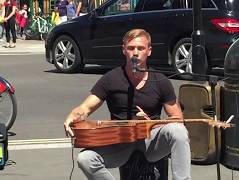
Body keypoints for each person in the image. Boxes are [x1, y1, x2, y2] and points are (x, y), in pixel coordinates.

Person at [64, 28, 191, 180]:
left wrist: (152, 124)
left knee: (179, 131)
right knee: (85, 159)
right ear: (124, 50)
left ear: (149, 51)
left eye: (140, 48)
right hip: (121, 141)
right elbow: (85, 108)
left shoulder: (160, 80)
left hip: (150, 139)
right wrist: (72, 116)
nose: (135, 52)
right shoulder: (111, 78)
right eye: (131, 48)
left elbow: (177, 119)